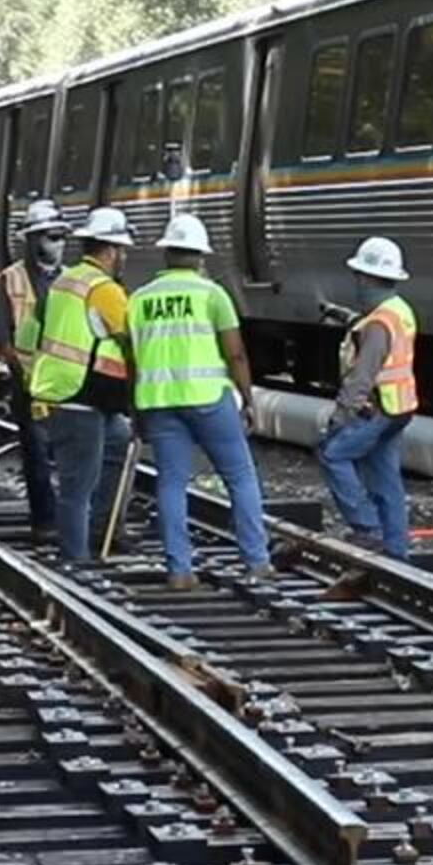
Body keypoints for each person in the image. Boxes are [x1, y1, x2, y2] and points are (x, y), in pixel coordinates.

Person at [129, 213, 272, 584]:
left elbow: (132, 358)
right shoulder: (212, 295)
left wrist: (135, 409)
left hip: (159, 402)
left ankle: (179, 570)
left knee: (171, 483)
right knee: (240, 476)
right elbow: (235, 353)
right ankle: (257, 561)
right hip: (209, 399)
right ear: (200, 256)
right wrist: (248, 398)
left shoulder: (139, 299)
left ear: (166, 254)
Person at [28, 207, 137, 565]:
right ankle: (76, 557)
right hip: (80, 395)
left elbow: (37, 328)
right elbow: (132, 340)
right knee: (78, 484)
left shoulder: (63, 281)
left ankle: (99, 530)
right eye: (122, 251)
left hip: (69, 391)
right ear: (109, 250)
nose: (123, 258)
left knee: (117, 445)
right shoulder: (105, 289)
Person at [318, 235, 419, 557]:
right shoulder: (398, 310)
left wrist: (340, 416)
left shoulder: (378, 324)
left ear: (370, 277)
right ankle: (397, 550)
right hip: (400, 408)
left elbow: (362, 375)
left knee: (331, 454)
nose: (357, 282)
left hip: (376, 408)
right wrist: (340, 315)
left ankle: (367, 528)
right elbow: (371, 328)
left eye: (360, 276)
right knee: (386, 479)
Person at [0, 200, 70, 535]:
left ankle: (70, 518)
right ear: (33, 240)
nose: (58, 244)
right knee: (37, 456)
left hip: (67, 383)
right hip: (29, 383)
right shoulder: (10, 280)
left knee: (68, 457)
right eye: (51, 237)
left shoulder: (71, 281)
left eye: (61, 237)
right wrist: (20, 369)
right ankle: (45, 522)